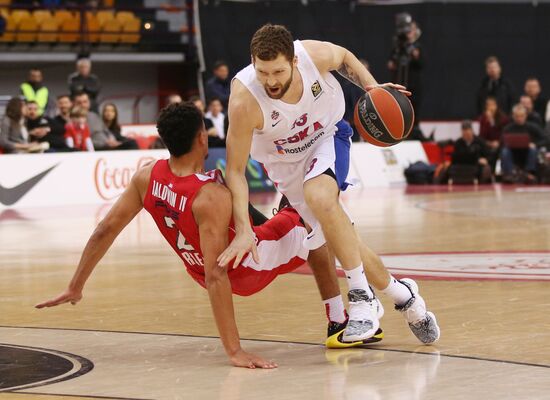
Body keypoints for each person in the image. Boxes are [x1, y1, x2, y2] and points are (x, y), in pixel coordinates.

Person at [36, 102, 315, 368]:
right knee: (312, 212)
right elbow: (217, 273)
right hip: (250, 266)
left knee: (271, 209)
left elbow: (104, 231)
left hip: (198, 271)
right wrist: (234, 350)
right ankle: (343, 304)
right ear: (202, 138)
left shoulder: (147, 177)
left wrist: (76, 286)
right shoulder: (209, 196)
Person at [218, 24, 439, 344]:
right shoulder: (244, 101)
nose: (270, 81)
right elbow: (235, 172)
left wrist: (372, 88)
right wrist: (242, 228)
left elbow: (345, 57)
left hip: (327, 137)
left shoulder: (312, 55)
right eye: (262, 71)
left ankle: (362, 300)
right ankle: (404, 297)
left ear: (294, 61)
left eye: (278, 71)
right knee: (345, 240)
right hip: (285, 168)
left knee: (320, 196)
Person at [501, 104, 545, 183]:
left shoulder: (533, 127)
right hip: (513, 154)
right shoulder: (507, 129)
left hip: (528, 154)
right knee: (505, 151)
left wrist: (535, 144)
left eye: (521, 116)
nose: (519, 118)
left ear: (525, 116)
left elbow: (545, 139)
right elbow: (502, 144)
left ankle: (529, 173)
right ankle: (510, 174)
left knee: (533, 149)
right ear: (513, 116)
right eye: (517, 116)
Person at [478, 96, 508, 172]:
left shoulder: (503, 118)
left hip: (500, 143)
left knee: (500, 150)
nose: (491, 107)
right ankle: (487, 172)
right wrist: (488, 122)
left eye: (493, 105)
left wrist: (498, 142)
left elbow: (503, 133)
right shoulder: (483, 119)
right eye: (488, 105)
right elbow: (482, 136)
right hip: (487, 144)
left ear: (497, 106)